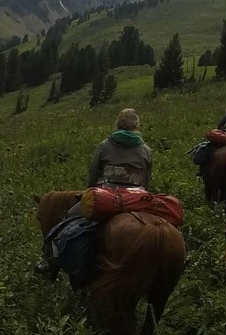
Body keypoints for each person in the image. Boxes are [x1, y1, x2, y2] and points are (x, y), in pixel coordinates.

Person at [36, 108, 152, 276]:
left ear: (118, 124)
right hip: (137, 196)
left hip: (106, 194)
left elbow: (93, 173)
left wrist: (91, 190)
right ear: (137, 126)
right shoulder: (146, 150)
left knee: (68, 217)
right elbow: (147, 179)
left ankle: (52, 261)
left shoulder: (105, 145)